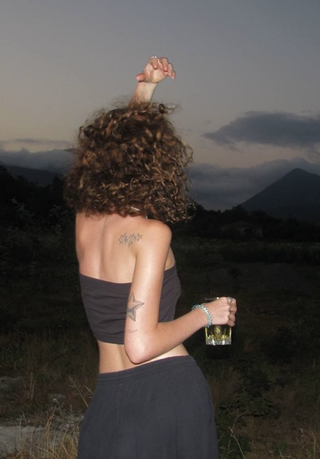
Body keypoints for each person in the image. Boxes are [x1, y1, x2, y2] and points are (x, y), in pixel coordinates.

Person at [64, 56, 237, 459]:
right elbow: (140, 346)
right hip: (165, 394)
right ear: (157, 165)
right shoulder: (151, 233)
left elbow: (123, 143)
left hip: (109, 398)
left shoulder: (86, 220)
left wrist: (145, 89)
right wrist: (207, 314)